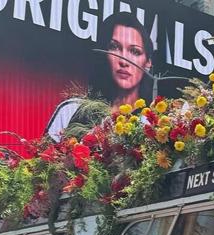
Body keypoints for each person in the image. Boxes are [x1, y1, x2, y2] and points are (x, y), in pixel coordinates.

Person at [46, 12, 154, 142]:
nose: (124, 61)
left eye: (135, 51)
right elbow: (43, 160)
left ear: (148, 62)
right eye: (114, 47)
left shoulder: (155, 123)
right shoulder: (71, 110)